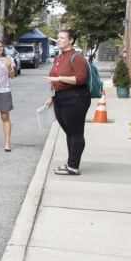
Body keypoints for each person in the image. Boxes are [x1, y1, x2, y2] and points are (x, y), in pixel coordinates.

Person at [44, 28, 91, 175]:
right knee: (69, 132)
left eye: (62, 38)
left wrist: (60, 79)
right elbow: (54, 78)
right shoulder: (59, 57)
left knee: (75, 132)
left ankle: (73, 166)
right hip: (59, 97)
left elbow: (81, 78)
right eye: (57, 37)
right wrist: (51, 96)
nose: (58, 40)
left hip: (75, 97)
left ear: (71, 40)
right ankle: (70, 163)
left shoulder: (77, 57)